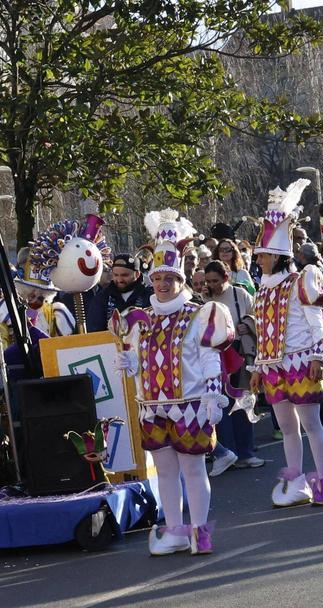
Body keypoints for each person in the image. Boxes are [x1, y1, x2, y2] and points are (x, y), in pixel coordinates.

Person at [113, 209, 233, 555]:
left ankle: (200, 530)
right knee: (164, 472)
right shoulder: (141, 319)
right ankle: (176, 529)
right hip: (153, 407)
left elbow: (210, 356)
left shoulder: (200, 314)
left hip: (190, 405)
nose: (162, 285)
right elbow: (141, 363)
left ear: (181, 280)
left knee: (193, 469)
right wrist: (131, 363)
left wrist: (212, 394)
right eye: (157, 279)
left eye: (169, 279)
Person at [248, 179, 323, 508]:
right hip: (273, 367)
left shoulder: (302, 280)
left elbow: (316, 322)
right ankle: (297, 480)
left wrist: (318, 356)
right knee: (287, 427)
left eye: (263, 255)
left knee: (311, 423)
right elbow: (263, 332)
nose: (258, 260)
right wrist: (259, 366)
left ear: (278, 254)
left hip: (302, 361)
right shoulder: (262, 290)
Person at [203, 261, 264, 471]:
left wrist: (247, 325)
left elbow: (258, 317)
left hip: (238, 351)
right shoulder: (204, 297)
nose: (213, 285)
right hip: (215, 356)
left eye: (216, 281)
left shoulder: (240, 294)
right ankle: (228, 453)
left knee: (243, 401)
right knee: (221, 405)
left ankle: (246, 453)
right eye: (209, 281)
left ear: (226, 277)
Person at [101, 254, 151, 321]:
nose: (119, 280)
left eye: (124, 275)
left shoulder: (149, 296)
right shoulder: (103, 296)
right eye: (116, 275)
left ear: (137, 274)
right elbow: (94, 328)